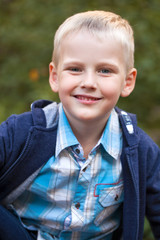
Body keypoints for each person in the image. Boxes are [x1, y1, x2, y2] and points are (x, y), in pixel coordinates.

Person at [0, 10, 159, 240]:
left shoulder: (138, 149)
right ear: (55, 76)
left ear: (127, 81)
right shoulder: (24, 132)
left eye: (105, 71)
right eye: (75, 69)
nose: (88, 82)